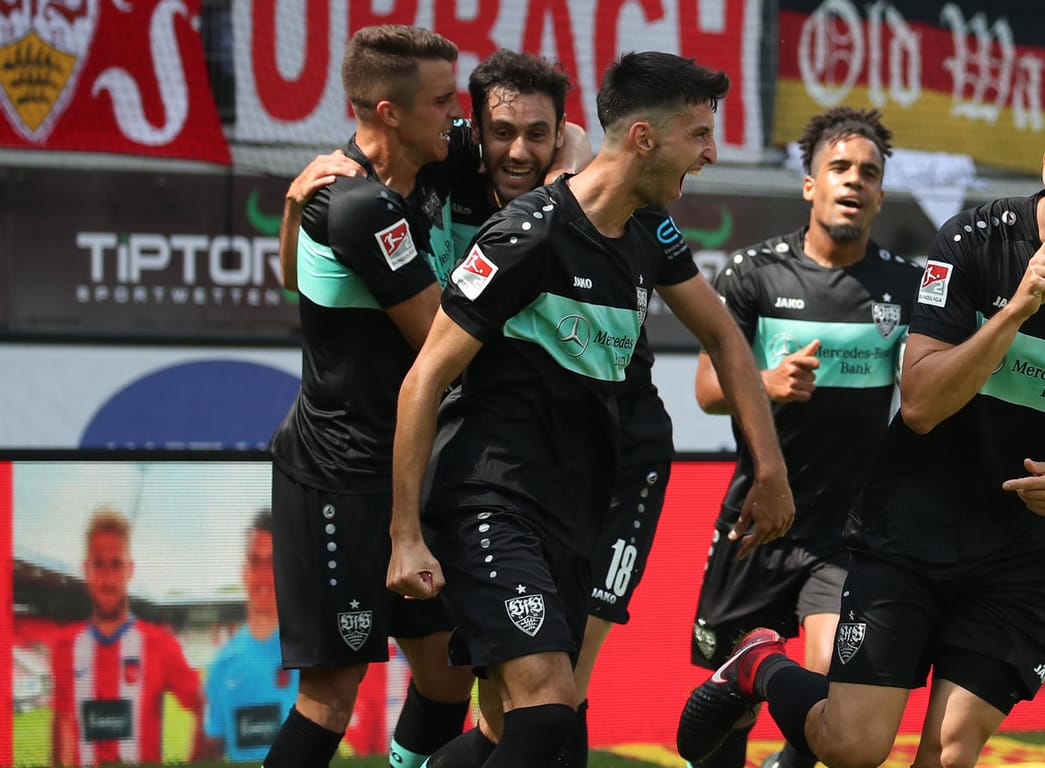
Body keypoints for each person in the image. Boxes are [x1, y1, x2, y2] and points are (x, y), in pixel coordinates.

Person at [677, 99, 1045, 768]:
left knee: (947, 754)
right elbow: (918, 405)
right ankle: (757, 667)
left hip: (1020, 552)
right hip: (910, 528)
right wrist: (1018, 310)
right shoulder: (974, 241)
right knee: (854, 747)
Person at [386, 51, 794, 768]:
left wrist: (770, 468)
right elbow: (423, 381)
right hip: (492, 499)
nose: (711, 153)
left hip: (572, 509)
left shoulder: (647, 232)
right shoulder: (527, 234)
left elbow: (727, 340)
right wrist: (405, 535)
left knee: (538, 732)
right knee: (544, 714)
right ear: (644, 139)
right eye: (698, 134)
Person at [265, 25, 479, 768]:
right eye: (444, 102)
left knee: (449, 678)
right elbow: (439, 342)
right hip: (339, 477)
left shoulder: (431, 166)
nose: (460, 119)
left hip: (407, 470)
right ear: (389, 112)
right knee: (331, 697)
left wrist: (291, 214)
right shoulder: (355, 205)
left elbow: (569, 138)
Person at [686, 107, 923, 768]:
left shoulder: (905, 287)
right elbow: (706, 390)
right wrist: (765, 381)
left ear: (880, 192)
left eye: (868, 173)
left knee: (831, 703)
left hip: (845, 534)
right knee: (722, 732)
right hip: (757, 520)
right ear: (809, 185)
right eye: (839, 168)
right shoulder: (754, 273)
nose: (854, 181)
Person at [50, 508, 204, 766]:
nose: (108, 578)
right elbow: (63, 721)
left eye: (116, 564)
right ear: (86, 569)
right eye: (99, 564)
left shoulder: (160, 645)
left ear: (129, 569)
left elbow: (204, 705)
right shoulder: (65, 646)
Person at [203, 509, 299, 762]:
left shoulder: (312, 655)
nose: (263, 576)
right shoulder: (222, 664)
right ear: (244, 571)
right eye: (256, 561)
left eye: (272, 562)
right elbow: (213, 749)